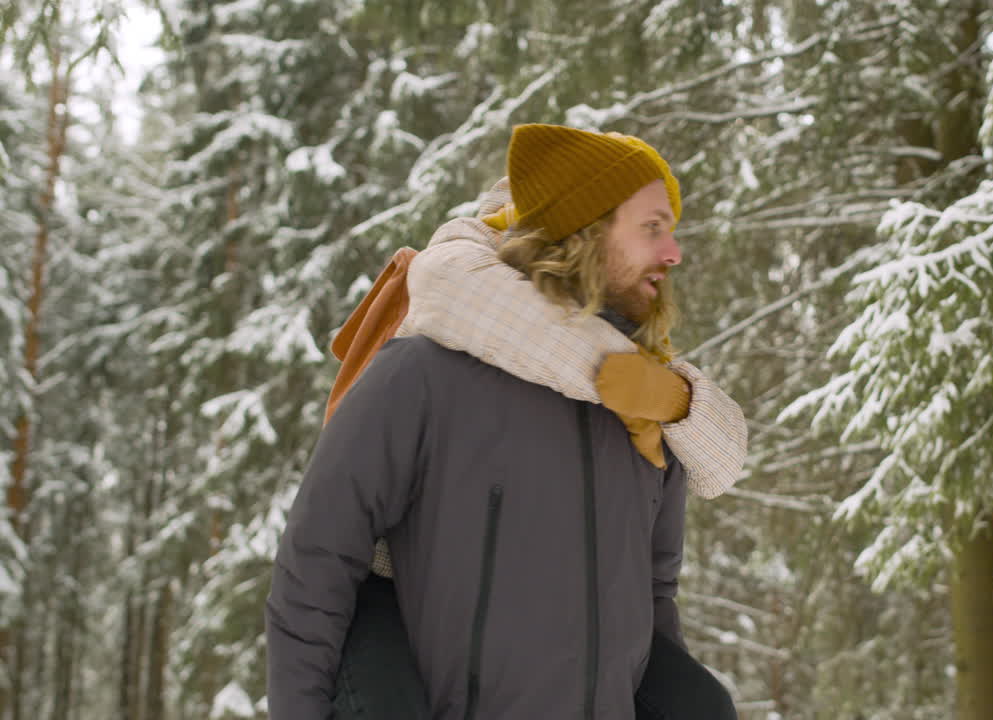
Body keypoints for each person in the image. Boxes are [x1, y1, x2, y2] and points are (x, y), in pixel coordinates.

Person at [266, 124, 744, 719]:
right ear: (584, 231)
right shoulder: (423, 376)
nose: (672, 253)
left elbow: (653, 596)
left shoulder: (646, 406)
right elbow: (316, 568)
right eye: (651, 227)